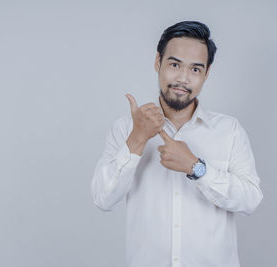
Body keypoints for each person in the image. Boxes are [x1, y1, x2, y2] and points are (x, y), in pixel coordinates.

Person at [90, 21, 263, 267]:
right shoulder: (125, 129)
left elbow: (250, 200)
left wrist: (196, 168)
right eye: (174, 65)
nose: (183, 79)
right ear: (157, 62)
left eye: (195, 69)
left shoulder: (229, 131)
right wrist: (137, 139)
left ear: (206, 73)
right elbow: (103, 198)